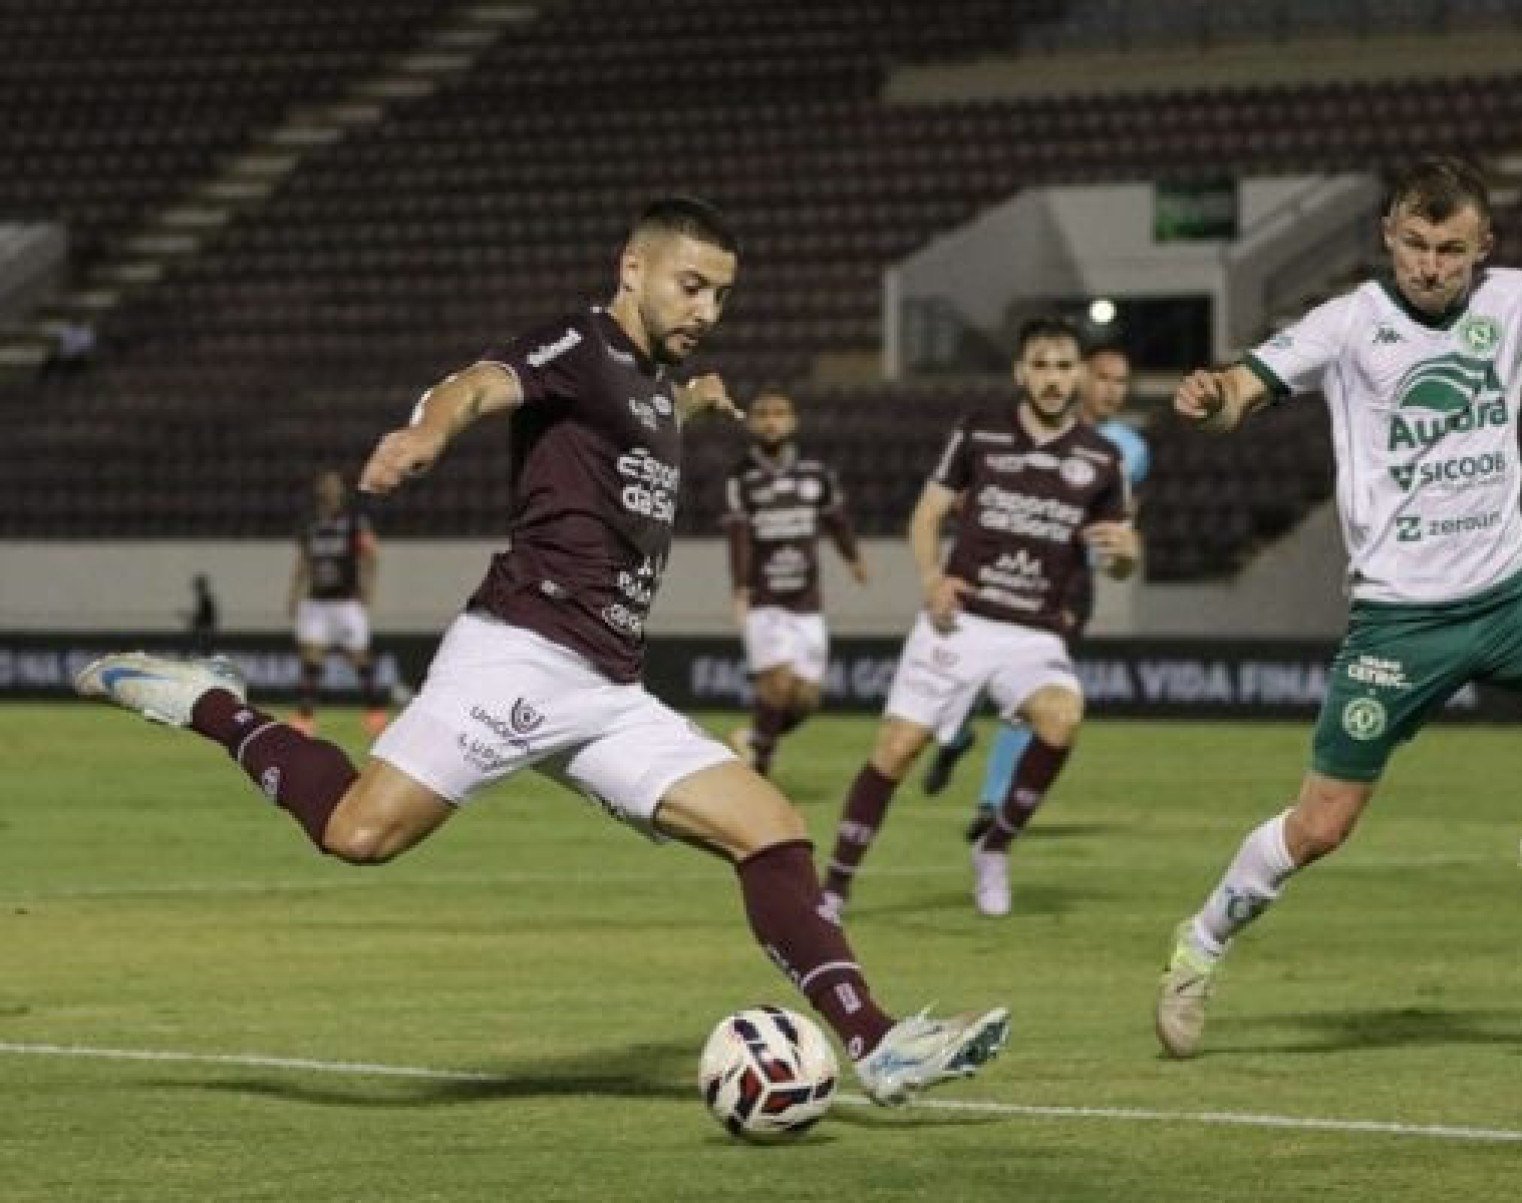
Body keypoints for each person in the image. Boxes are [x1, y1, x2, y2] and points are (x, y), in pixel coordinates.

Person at [74, 196, 1007, 1105]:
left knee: (770, 828)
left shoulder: (645, 384)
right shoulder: (583, 344)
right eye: (691, 285)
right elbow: (477, 382)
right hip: (518, 651)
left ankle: (878, 1044)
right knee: (358, 833)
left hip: (608, 687)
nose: (707, 310)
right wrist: (428, 431)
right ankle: (211, 703)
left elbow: (629, 420)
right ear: (632, 269)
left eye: (721, 295)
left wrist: (690, 402)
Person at [1155, 158, 1522, 1058]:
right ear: (1389, 238)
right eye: (1415, 244)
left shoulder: (1518, 300)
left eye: (1451, 248)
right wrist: (1212, 401)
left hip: (1508, 596)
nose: (1431, 265)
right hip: (1398, 623)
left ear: (1483, 247)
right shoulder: (1347, 324)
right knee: (1322, 826)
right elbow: (1242, 392)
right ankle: (1199, 945)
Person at [820, 317, 1140, 920]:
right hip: (962, 622)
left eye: (1064, 366)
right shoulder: (979, 432)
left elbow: (1122, 555)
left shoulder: (1102, 460)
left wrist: (1128, 557)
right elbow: (926, 515)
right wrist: (931, 579)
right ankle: (834, 888)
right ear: (1021, 372)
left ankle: (994, 848)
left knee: (1063, 716)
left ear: (1079, 376)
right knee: (896, 749)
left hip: (1034, 633)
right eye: (1041, 365)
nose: (1052, 378)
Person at [921, 345, 1150, 842]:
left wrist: (1122, 550)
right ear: (1079, 377)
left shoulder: (1126, 449)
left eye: (1123, 381)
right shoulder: (1017, 429)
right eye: (1104, 378)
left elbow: (1121, 521)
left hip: (1066, 585)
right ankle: (956, 738)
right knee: (968, 679)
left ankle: (992, 802)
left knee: (1031, 691)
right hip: (997, 574)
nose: (1113, 390)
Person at [723, 390, 868, 776]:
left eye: (779, 413)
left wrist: (853, 557)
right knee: (778, 684)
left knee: (806, 698)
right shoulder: (742, 477)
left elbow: (836, 520)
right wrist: (740, 590)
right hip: (765, 598)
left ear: (793, 422)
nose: (771, 421)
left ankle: (754, 741)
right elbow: (738, 537)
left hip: (808, 601)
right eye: (763, 414)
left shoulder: (816, 474)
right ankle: (761, 770)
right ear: (752, 423)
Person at [288, 470, 387, 737]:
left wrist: (368, 587)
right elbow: (303, 562)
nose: (329, 489)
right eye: (325, 484)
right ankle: (305, 717)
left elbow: (371, 554)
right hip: (316, 601)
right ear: (319, 489)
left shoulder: (355, 521)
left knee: (359, 657)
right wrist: (294, 595)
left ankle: (375, 711)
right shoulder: (309, 523)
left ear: (341, 491)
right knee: (311, 656)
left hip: (346, 601)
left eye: (334, 485)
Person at [186, 574, 219, 656]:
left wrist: (194, 621)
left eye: (197, 586)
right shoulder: (205, 599)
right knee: (203, 646)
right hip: (205, 628)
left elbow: (205, 616)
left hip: (205, 628)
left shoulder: (205, 599)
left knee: (203, 646)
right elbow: (205, 615)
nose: (196, 589)